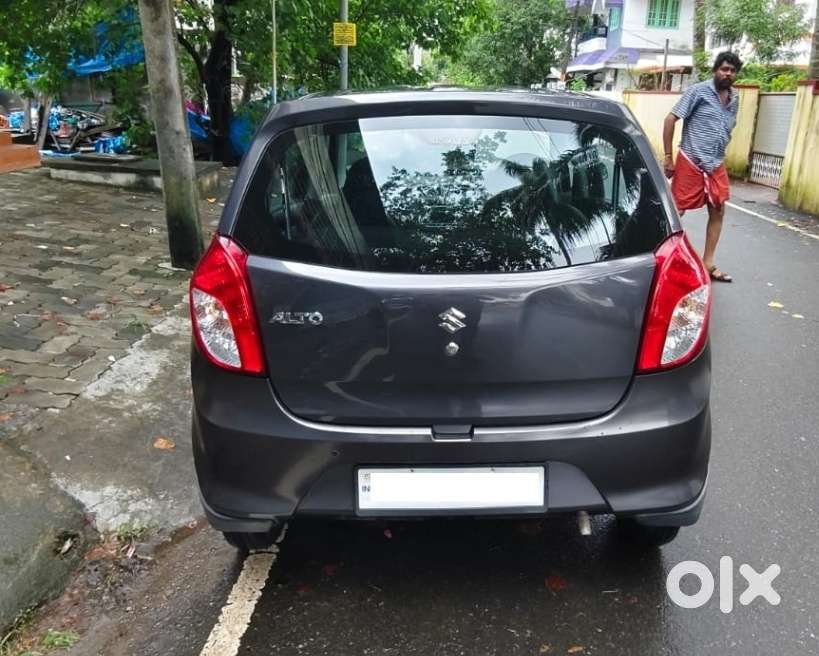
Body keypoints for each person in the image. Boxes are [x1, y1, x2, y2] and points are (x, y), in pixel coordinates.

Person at [663, 51, 743, 283]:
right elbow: (670, 119)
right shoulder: (698, 91)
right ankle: (664, 261)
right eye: (724, 69)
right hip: (691, 159)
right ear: (715, 70)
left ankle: (708, 263)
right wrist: (668, 156)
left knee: (718, 210)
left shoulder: (734, 99)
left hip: (716, 162)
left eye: (732, 70)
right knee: (676, 212)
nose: (728, 74)